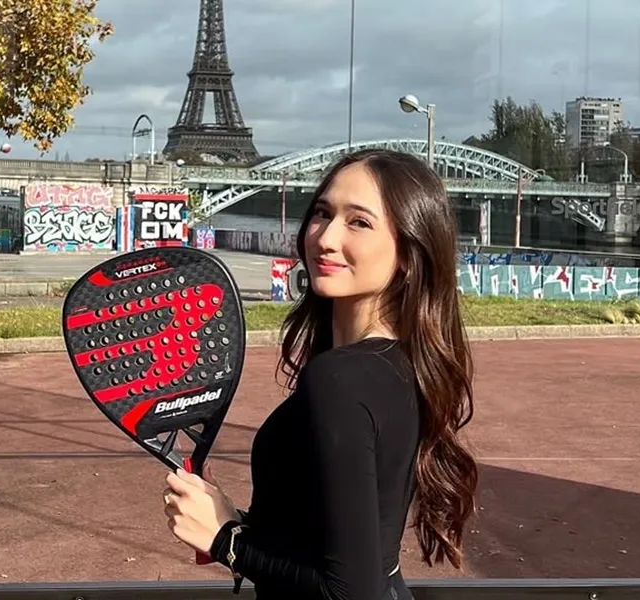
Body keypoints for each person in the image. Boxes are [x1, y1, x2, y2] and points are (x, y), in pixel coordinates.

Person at [162, 148, 478, 600]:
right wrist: (234, 519)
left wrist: (226, 540)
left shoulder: (340, 379)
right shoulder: (399, 366)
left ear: (408, 253)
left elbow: (351, 591)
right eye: (322, 213)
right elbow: (333, 546)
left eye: (359, 222)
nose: (326, 237)